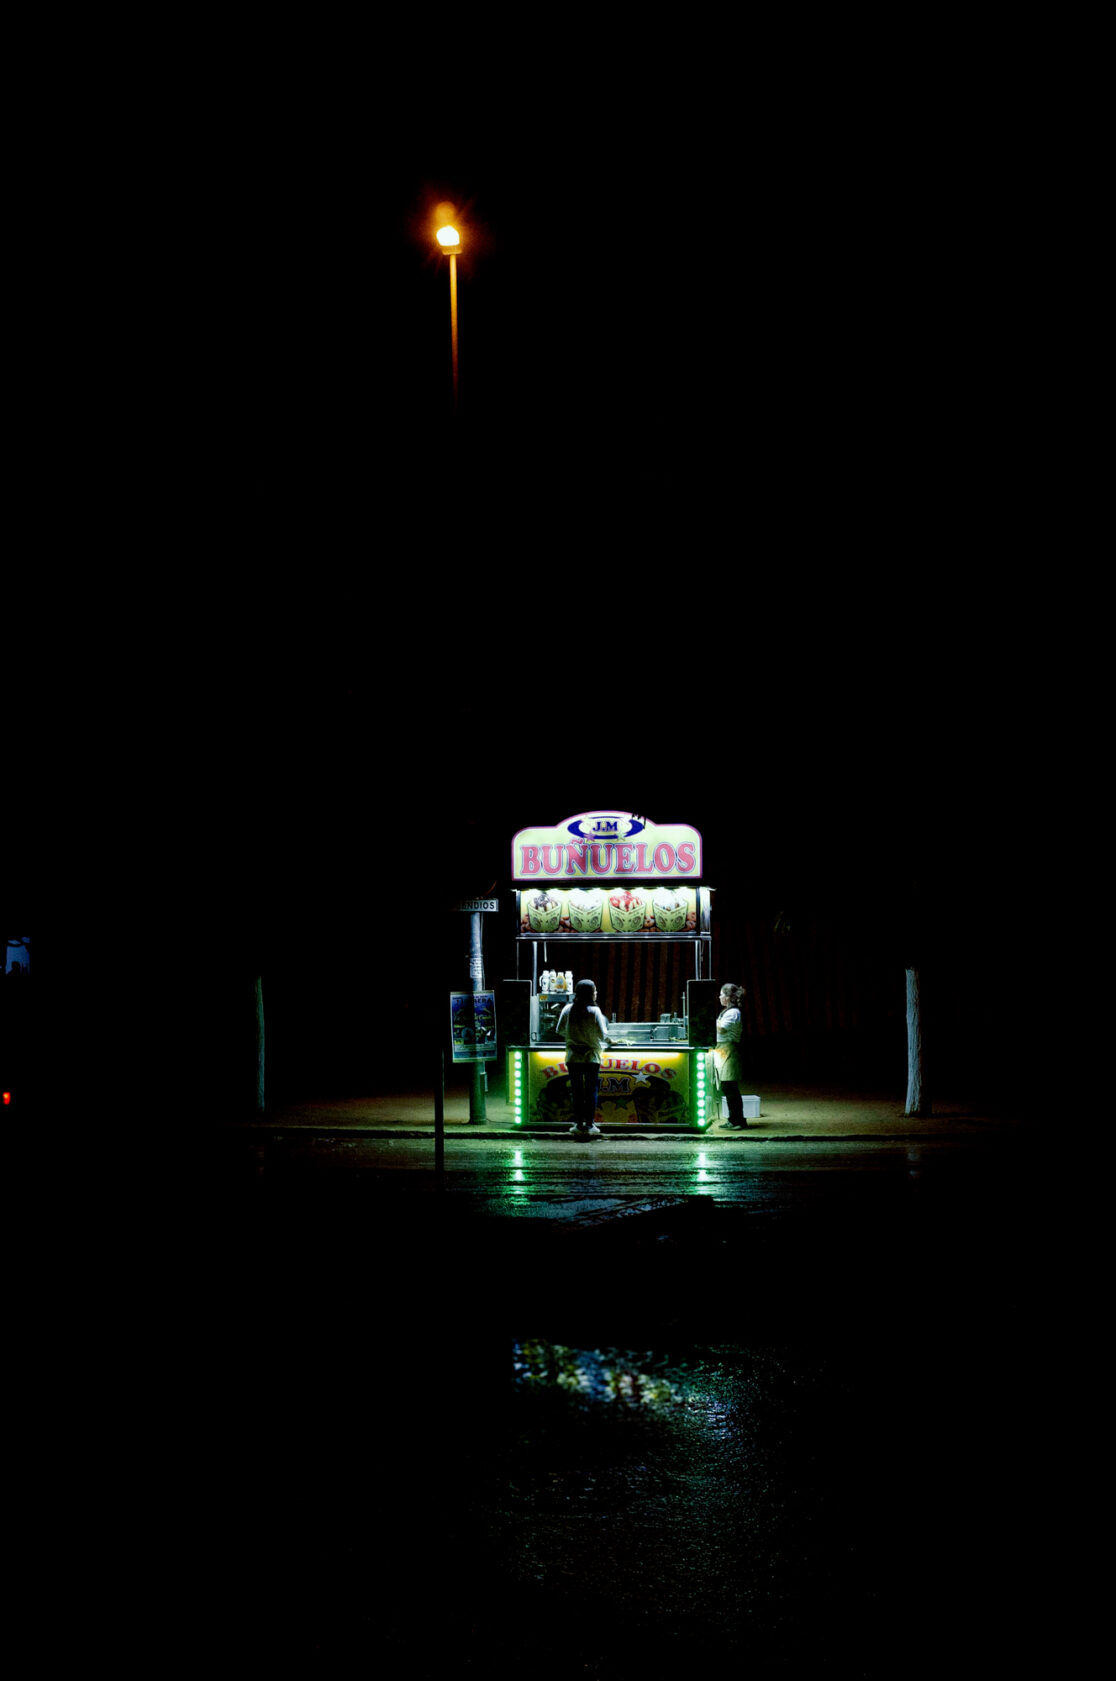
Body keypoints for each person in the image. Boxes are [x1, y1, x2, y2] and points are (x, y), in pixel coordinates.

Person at [555, 978, 610, 1139]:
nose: (596, 993)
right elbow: (603, 1035)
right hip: (591, 1057)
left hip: (573, 1057)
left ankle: (578, 1124)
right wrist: (609, 1041)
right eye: (594, 991)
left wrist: (573, 1037)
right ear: (590, 994)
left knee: (577, 1091)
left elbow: (559, 1030)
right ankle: (590, 1125)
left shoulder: (567, 1009)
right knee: (591, 1091)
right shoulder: (594, 1011)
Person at [714, 982, 748, 1128]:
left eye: (722, 994)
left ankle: (738, 1120)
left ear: (728, 997)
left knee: (730, 1087)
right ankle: (733, 1119)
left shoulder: (733, 1012)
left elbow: (722, 1029)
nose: (720, 997)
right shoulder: (727, 1011)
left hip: (729, 1050)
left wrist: (710, 1020)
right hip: (723, 1049)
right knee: (727, 1087)